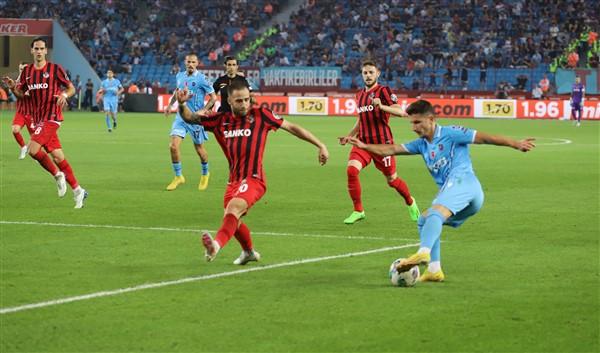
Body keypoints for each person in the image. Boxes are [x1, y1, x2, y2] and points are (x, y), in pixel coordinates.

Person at [346, 99, 535, 282]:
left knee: (435, 212)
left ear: (431, 119)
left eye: (418, 122)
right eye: (412, 123)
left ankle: (423, 253)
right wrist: (364, 146)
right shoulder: (421, 144)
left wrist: (515, 144)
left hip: (464, 183)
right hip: (463, 196)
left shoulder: (451, 133)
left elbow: (485, 138)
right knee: (424, 219)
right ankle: (434, 270)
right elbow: (390, 149)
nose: (414, 127)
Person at [176, 79, 329, 265]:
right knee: (233, 220)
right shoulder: (220, 120)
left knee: (233, 209)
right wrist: (182, 103)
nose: (244, 104)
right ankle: (248, 252)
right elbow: (189, 117)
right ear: (229, 101)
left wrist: (320, 145)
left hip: (254, 179)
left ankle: (214, 246)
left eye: (247, 99)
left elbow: (292, 127)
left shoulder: (261, 115)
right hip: (233, 181)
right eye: (239, 101)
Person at [2, 37, 87, 208]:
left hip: (52, 117)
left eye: (42, 48)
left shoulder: (55, 69)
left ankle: (57, 175)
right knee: (57, 156)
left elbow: (71, 88)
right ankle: (78, 191)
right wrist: (13, 87)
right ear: (32, 51)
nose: (39, 51)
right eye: (36, 49)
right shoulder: (27, 72)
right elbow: (21, 96)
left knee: (33, 150)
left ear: (46, 51)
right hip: (38, 119)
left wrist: (64, 95)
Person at [338, 59, 419, 225]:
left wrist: (382, 106)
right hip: (363, 143)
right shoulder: (359, 95)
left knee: (392, 180)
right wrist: (349, 136)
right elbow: (361, 120)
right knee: (351, 170)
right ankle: (358, 211)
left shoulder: (384, 91)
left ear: (378, 74)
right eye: (365, 73)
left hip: (383, 145)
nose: (368, 76)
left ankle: (410, 202)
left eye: (371, 72)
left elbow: (401, 112)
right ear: (362, 75)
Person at [164, 53, 217, 191]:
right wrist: (170, 105)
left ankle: (205, 174)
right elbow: (177, 93)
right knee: (173, 146)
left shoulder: (202, 79)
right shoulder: (179, 76)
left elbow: (213, 98)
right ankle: (178, 176)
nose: (191, 64)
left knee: (199, 149)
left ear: (197, 63)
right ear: (185, 62)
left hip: (195, 119)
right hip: (181, 117)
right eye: (188, 62)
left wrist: (204, 110)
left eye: (193, 62)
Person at [10, 62, 34, 159]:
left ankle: (36, 155)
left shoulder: (33, 81)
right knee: (15, 130)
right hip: (20, 112)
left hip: (32, 113)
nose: (22, 71)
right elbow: (18, 95)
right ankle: (23, 147)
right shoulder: (17, 82)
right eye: (20, 69)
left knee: (35, 137)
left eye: (24, 69)